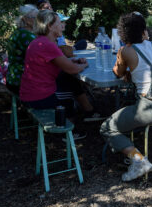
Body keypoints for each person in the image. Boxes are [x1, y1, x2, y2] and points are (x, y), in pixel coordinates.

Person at [100, 12, 152, 182]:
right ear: (144, 31)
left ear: (122, 34)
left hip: (149, 110)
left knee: (107, 127)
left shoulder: (125, 50)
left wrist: (125, 66)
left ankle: (138, 160)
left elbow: (117, 73)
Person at [19, 10, 96, 138]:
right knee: (67, 95)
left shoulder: (40, 41)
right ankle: (67, 133)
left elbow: (59, 63)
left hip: (29, 93)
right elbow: (71, 69)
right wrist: (84, 64)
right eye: (59, 23)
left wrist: (73, 61)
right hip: (38, 97)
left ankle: (81, 116)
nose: (62, 26)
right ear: (49, 26)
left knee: (67, 82)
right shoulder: (48, 45)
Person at [6, 5, 38, 95]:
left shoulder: (18, 32)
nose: (37, 21)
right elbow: (43, 54)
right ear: (24, 19)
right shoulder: (26, 35)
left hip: (13, 79)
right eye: (34, 18)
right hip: (21, 81)